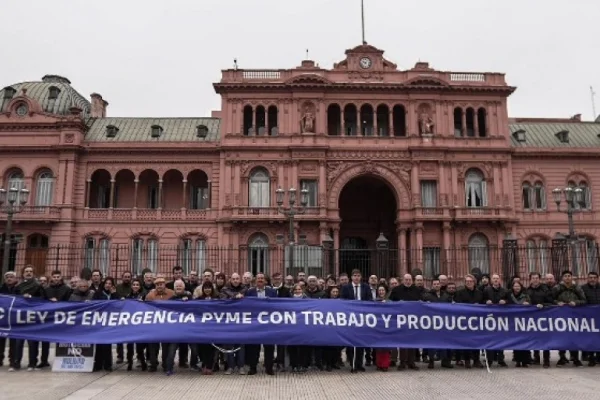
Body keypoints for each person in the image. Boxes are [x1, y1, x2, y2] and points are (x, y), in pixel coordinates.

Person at [245, 273, 277, 375]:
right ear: (255, 281)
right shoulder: (249, 292)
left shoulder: (272, 291)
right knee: (254, 346)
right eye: (258, 278)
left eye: (262, 278)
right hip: (254, 323)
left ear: (265, 281)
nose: (260, 280)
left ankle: (269, 367)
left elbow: (277, 305)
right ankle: (253, 367)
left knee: (269, 346)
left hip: (268, 323)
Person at [340, 269, 371, 373]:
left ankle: (359, 364)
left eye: (358, 276)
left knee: (360, 342)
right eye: (355, 276)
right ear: (351, 277)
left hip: (362, 318)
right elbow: (342, 302)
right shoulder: (346, 288)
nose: (356, 277)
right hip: (350, 318)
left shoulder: (366, 287)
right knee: (351, 343)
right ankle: (352, 364)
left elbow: (369, 301)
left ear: (361, 277)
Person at [553, 270, 586, 367]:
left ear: (572, 277)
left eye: (569, 276)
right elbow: (551, 299)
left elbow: (584, 300)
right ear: (562, 278)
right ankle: (562, 357)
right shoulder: (557, 288)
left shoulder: (577, 288)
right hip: (561, 316)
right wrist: (557, 303)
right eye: (565, 276)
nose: (567, 278)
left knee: (574, 337)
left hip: (574, 316)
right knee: (561, 337)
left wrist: (576, 303)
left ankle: (575, 358)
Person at [389, 274, 421, 370]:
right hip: (400, 319)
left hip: (413, 320)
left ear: (412, 280)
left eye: (410, 280)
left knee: (412, 342)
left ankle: (411, 362)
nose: (408, 281)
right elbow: (390, 302)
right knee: (402, 342)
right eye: (406, 279)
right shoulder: (396, 290)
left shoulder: (416, 290)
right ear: (403, 280)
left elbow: (420, 302)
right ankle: (402, 362)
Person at [454, 274, 484, 369]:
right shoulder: (460, 292)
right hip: (465, 320)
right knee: (466, 340)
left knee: (476, 340)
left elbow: (483, 305)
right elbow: (458, 305)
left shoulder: (479, 293)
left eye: (470, 281)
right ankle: (467, 360)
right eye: (467, 282)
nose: (469, 283)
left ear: (474, 282)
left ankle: (476, 360)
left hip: (476, 320)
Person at [526, 272, 554, 368]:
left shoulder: (545, 289)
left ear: (539, 279)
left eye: (537, 278)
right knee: (534, 338)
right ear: (530, 279)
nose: (535, 279)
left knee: (545, 338)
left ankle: (546, 360)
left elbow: (551, 301)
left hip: (544, 316)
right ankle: (536, 358)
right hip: (532, 318)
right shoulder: (528, 290)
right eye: (533, 278)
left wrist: (543, 305)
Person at [92, 277, 119, 371]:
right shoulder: (98, 293)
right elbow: (94, 305)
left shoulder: (114, 294)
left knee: (107, 344)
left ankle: (108, 364)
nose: (108, 285)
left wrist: (114, 294)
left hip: (110, 321)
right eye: (106, 283)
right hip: (100, 321)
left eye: (110, 283)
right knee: (99, 344)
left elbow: (118, 305)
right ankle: (98, 364)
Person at [0, 271, 23, 371]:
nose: (9, 279)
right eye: (7, 277)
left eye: (11, 277)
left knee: (14, 342)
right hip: (3, 320)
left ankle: (13, 362)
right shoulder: (1, 289)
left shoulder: (19, 289)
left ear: (15, 279)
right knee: (0, 342)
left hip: (14, 320)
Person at [194, 281, 219, 374]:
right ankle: (204, 364)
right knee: (202, 347)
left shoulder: (217, 299)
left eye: (209, 288)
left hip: (213, 328)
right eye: (205, 288)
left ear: (212, 289)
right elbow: (190, 306)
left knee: (211, 348)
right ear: (203, 289)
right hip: (202, 328)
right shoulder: (198, 299)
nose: (207, 290)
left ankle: (210, 366)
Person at [506, 281, 532, 367]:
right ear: (512, 287)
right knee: (516, 340)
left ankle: (525, 360)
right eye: (515, 286)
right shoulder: (509, 296)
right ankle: (517, 360)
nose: (517, 288)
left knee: (525, 340)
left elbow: (531, 304)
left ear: (521, 287)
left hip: (524, 321)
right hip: (513, 321)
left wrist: (528, 304)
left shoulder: (525, 295)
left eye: (518, 286)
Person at [125, 278, 147, 371]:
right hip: (130, 325)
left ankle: (143, 363)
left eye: (137, 285)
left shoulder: (143, 296)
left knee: (139, 347)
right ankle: (129, 363)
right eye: (134, 285)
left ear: (140, 286)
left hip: (140, 324)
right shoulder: (128, 296)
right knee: (129, 347)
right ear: (131, 286)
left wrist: (143, 303)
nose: (135, 286)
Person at [581, 272, 600, 366]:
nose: (592, 279)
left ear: (597, 278)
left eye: (594, 278)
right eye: (590, 278)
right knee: (590, 338)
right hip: (588, 317)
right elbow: (581, 300)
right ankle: (591, 358)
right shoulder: (583, 288)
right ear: (587, 279)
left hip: (599, 317)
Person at [288, 284, 308, 373]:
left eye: (299, 289)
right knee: (292, 348)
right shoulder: (288, 300)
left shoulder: (307, 300)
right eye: (295, 289)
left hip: (303, 327)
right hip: (292, 327)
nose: (297, 291)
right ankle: (294, 365)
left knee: (303, 348)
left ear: (302, 290)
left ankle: (302, 365)